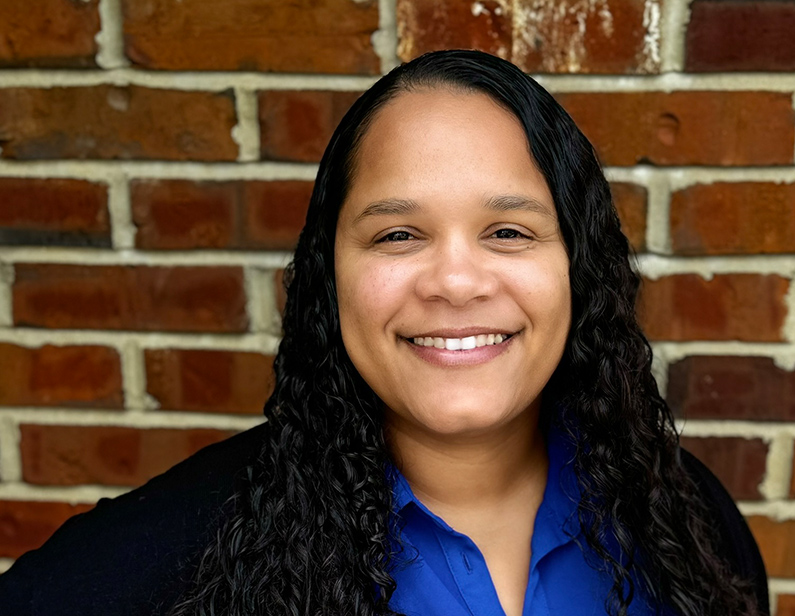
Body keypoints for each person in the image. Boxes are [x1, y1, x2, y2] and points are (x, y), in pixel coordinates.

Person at [0, 50, 767, 616]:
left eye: (507, 231)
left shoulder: (686, 524)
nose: (456, 280)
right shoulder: (178, 552)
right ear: (328, 276)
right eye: (398, 236)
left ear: (579, 267)